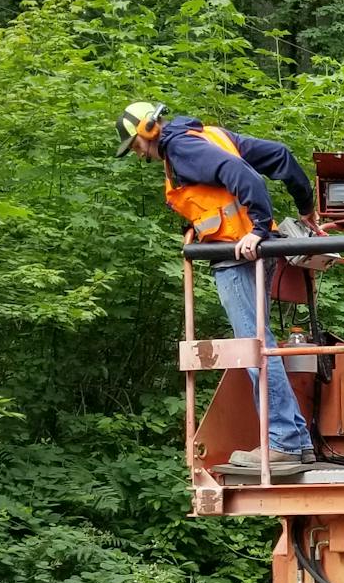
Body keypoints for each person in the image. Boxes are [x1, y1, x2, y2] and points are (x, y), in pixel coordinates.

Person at [117, 100, 319, 472]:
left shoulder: (180, 148)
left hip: (238, 257)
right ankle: (297, 442)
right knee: (262, 345)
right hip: (244, 252)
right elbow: (279, 155)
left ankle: (282, 442)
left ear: (147, 130)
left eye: (135, 145)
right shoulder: (208, 135)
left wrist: (259, 229)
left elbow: (239, 174)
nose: (138, 153)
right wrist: (306, 204)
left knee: (255, 348)